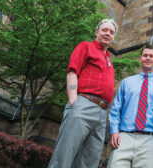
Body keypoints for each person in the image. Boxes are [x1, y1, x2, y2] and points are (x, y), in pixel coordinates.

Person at [48, 18, 118, 168]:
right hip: (83, 105)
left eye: (111, 32)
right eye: (104, 30)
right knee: (65, 155)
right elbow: (72, 72)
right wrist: (74, 102)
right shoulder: (85, 46)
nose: (107, 34)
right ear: (96, 32)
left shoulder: (109, 62)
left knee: (89, 161)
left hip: (101, 113)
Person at [108, 45, 153, 168]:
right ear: (140, 58)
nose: (148, 58)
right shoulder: (126, 82)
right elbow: (116, 109)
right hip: (124, 138)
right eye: (145, 55)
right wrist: (114, 131)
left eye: (151, 56)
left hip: (151, 141)